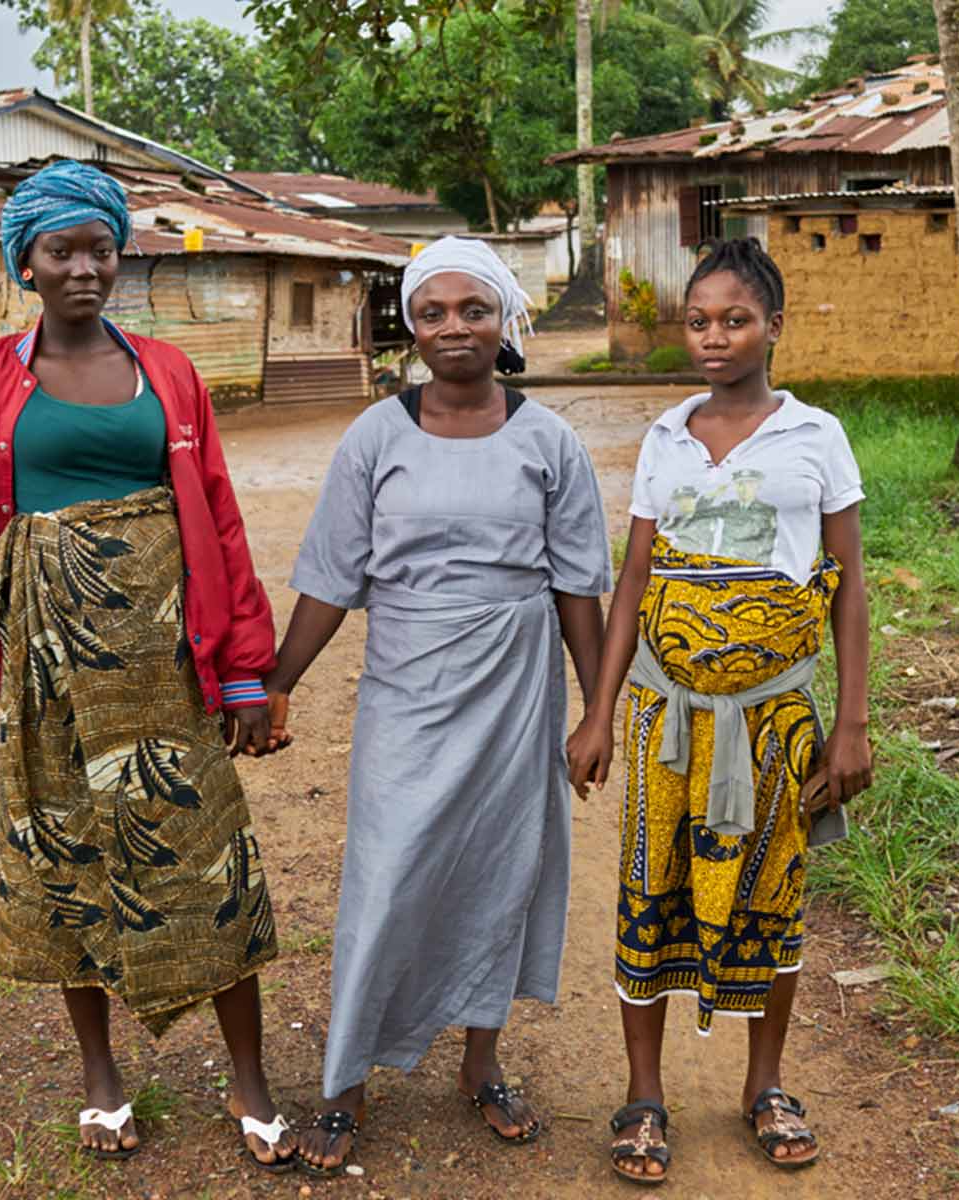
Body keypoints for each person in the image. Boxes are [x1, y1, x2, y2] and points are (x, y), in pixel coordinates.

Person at [0, 160, 297, 1172]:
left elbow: (217, 522)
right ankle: (100, 1078)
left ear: (118, 253)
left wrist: (243, 674)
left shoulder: (170, 373)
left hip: (166, 668)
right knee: (70, 864)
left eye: (101, 247)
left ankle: (250, 1078)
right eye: (62, 251)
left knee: (211, 859)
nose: (84, 267)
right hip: (51, 679)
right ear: (27, 264)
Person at [263, 236, 612, 1176]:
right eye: (432, 313)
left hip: (514, 685)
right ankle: (343, 1083)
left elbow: (579, 586)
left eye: (473, 310)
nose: (452, 328)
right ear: (408, 326)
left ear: (504, 321)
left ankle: (481, 1062)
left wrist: (595, 712)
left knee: (502, 872)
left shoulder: (550, 440)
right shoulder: (377, 435)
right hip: (408, 685)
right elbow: (334, 576)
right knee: (385, 875)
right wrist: (279, 679)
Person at [566, 237, 872, 1183]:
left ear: (774, 326)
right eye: (698, 321)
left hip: (775, 720)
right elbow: (635, 581)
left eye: (734, 319)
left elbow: (849, 584)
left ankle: (764, 1085)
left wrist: (852, 720)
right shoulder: (665, 438)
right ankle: (644, 1094)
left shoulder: (815, 435)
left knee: (774, 894)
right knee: (651, 892)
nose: (713, 337)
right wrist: (599, 710)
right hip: (672, 722)